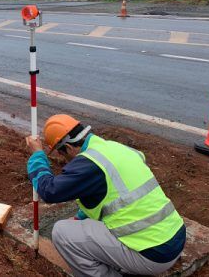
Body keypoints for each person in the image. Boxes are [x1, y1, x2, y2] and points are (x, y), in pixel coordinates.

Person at [26, 114, 185, 277]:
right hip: (175, 239)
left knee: (61, 232)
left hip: (152, 255)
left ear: (68, 147)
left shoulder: (88, 164)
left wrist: (37, 155)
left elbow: (49, 191)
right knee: (81, 224)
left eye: (62, 154)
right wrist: (82, 216)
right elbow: (116, 193)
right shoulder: (115, 148)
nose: (65, 160)